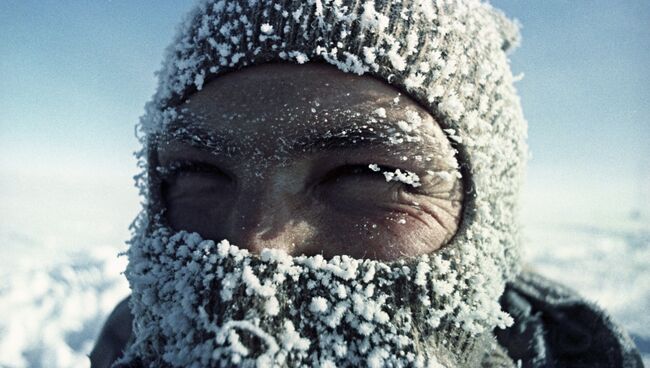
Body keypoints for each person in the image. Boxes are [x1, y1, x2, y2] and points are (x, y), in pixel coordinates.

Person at [91, 0, 643, 367]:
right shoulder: (127, 337)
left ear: (484, 222)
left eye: (367, 175)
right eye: (199, 172)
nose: (252, 244)